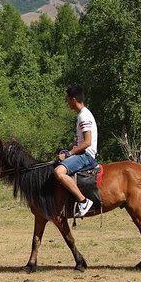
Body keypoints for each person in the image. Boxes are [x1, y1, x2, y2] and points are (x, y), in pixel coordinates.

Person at [54, 85, 98, 218]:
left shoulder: (83, 116)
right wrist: (66, 150)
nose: (67, 102)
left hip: (86, 155)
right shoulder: (83, 114)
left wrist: (68, 154)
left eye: (67, 99)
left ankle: (83, 201)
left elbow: (87, 142)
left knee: (59, 172)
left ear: (73, 99)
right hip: (82, 153)